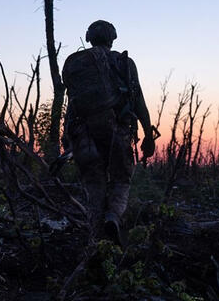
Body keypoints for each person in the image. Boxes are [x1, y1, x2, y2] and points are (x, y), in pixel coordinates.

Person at [61, 20, 156, 244]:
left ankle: (95, 236)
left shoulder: (76, 64)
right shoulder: (124, 63)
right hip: (117, 131)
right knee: (121, 179)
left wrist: (67, 137)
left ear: (89, 38)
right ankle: (113, 217)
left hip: (83, 132)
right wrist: (149, 135)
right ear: (112, 39)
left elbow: (72, 104)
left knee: (94, 182)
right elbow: (138, 100)